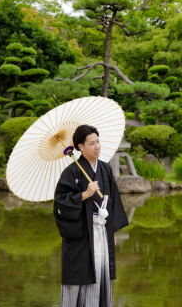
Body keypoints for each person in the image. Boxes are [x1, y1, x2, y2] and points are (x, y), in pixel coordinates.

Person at [54, 124, 128, 307]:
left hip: (102, 230)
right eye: (92, 143)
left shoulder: (105, 169)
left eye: (98, 141)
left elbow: (113, 202)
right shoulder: (71, 172)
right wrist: (84, 194)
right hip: (82, 232)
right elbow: (60, 203)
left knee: (101, 272)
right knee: (81, 272)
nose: (97, 146)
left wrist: (112, 231)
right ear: (80, 147)